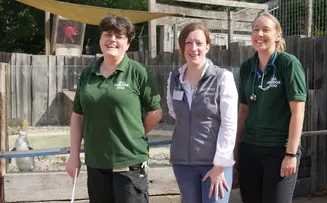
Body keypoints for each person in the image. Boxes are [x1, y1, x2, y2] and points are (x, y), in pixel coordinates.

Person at [65, 16, 163, 203]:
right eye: (107, 35)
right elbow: (77, 116)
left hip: (129, 166)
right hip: (96, 165)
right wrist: (74, 156)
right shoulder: (87, 74)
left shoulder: (138, 72)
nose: (112, 40)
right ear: (100, 40)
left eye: (119, 36)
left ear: (127, 43)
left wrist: (133, 134)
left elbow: (155, 112)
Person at [234, 12, 307, 203]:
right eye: (255, 29)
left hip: (279, 150)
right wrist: (235, 148)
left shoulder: (288, 64)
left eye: (265, 30)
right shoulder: (247, 67)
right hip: (250, 149)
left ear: (277, 35)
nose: (259, 34)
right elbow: (243, 110)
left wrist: (290, 154)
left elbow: (298, 112)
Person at [166, 22, 238, 203]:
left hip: (214, 163)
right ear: (182, 47)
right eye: (188, 43)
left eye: (199, 43)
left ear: (207, 46)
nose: (193, 48)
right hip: (183, 164)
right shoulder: (174, 78)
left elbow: (229, 123)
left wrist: (220, 164)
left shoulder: (223, 77)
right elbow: (174, 111)